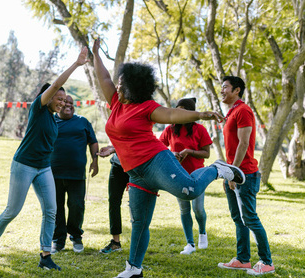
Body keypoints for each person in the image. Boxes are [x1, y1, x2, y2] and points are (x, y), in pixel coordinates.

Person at [92, 38, 246, 278]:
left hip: (156, 162)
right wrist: (95, 54)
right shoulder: (115, 103)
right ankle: (133, 269)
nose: (117, 87)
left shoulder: (146, 107)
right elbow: (104, 79)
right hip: (135, 173)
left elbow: (173, 113)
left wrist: (202, 114)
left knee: (190, 190)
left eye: (122, 84)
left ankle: (217, 169)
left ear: (133, 87)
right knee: (139, 223)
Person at [0, 47, 89, 271]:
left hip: (43, 168)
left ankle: (45, 255)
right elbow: (56, 85)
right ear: (48, 98)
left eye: (63, 100)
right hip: (24, 165)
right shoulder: (38, 109)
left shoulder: (53, 119)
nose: (61, 102)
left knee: (51, 210)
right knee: (13, 210)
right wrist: (76, 65)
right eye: (57, 98)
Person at [217, 76, 275, 275]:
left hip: (245, 174)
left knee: (249, 218)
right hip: (233, 173)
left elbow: (243, 143)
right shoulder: (231, 112)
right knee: (238, 218)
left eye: (225, 87)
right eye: (222, 87)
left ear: (237, 90)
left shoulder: (244, 110)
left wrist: (233, 173)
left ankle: (266, 262)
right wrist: (228, 173)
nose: (222, 90)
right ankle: (243, 259)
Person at [159, 97, 212, 255]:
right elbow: (159, 146)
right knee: (184, 209)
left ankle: (202, 232)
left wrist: (189, 151)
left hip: (197, 174)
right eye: (177, 109)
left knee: (198, 209)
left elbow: (207, 153)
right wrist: (171, 153)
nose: (178, 112)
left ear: (190, 112)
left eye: (182, 109)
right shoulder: (170, 129)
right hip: (178, 173)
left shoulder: (199, 129)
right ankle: (190, 243)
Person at [50, 94, 99, 254]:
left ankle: (76, 236)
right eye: (64, 103)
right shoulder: (51, 121)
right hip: (53, 174)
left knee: (77, 206)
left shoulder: (82, 122)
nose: (68, 105)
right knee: (56, 208)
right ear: (59, 105)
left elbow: (93, 141)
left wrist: (95, 161)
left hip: (77, 174)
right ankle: (58, 241)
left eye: (71, 103)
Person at [97, 146, 129, 254]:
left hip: (135, 166)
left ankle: (138, 243)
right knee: (113, 202)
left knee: (136, 205)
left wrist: (114, 149)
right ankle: (115, 243)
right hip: (118, 165)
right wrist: (112, 147)